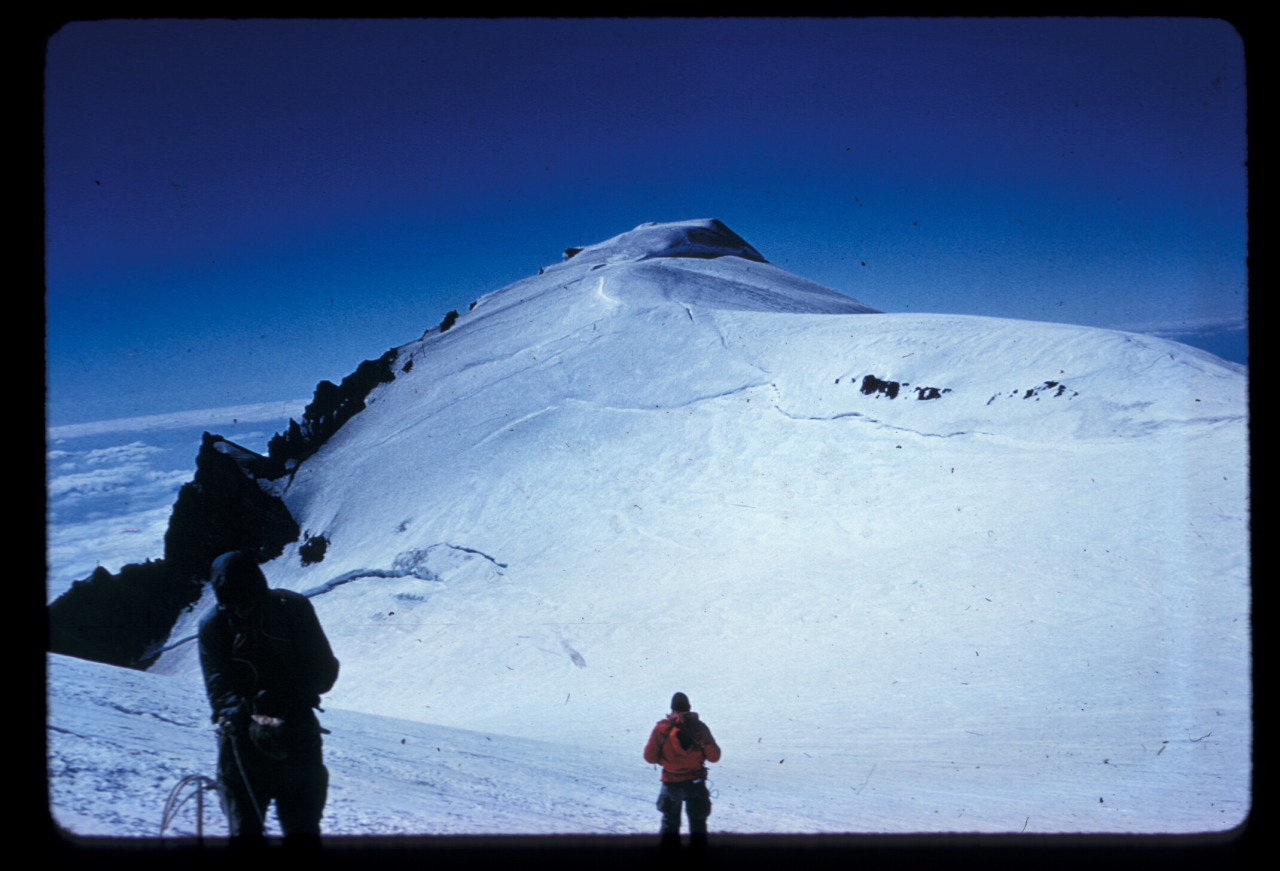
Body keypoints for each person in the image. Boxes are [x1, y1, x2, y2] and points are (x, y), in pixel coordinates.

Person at [198, 550, 340, 850]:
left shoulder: (293, 609)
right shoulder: (213, 627)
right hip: (241, 738)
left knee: (302, 829)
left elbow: (324, 670)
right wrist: (245, 711)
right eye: (230, 606)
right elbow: (218, 687)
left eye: (246, 604)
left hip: (295, 729)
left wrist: (283, 699)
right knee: (245, 831)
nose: (238, 612)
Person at [643, 692, 721, 851]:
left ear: (672, 709)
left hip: (671, 782)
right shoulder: (699, 728)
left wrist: (665, 758)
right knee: (698, 823)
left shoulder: (662, 728)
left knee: (670, 823)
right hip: (696, 782)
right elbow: (714, 757)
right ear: (689, 707)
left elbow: (649, 757)